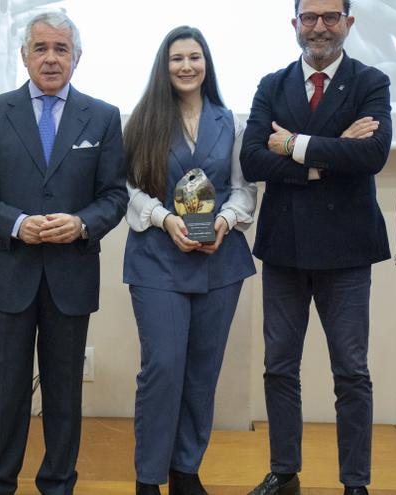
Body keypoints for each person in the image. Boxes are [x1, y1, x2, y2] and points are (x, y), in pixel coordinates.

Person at [0, 11, 127, 495]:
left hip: (70, 278)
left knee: (63, 394)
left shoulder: (103, 116)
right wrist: (16, 224)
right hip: (6, 276)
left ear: (77, 57)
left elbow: (114, 196)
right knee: (5, 391)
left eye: (61, 49)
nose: (51, 58)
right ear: (24, 55)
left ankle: (58, 483)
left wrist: (80, 224)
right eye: (41, 48)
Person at [240, 0, 393, 494]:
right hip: (284, 250)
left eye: (330, 17)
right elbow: (253, 159)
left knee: (351, 371)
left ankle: (355, 482)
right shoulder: (272, 84)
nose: (319, 27)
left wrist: (295, 145)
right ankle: (285, 472)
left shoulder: (371, 82)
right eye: (310, 18)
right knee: (279, 367)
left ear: (348, 24)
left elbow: (370, 154)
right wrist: (329, 153)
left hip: (347, 253)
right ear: (295, 25)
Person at [122, 26, 257, 495]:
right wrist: (164, 220)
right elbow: (129, 189)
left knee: (203, 371)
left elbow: (243, 188)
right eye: (176, 58)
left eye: (194, 57)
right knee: (163, 367)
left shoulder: (230, 121)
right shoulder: (141, 120)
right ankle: (148, 477)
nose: (186, 66)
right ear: (164, 65)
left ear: (206, 64)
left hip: (220, 263)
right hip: (157, 258)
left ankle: (185, 470)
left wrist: (223, 221)